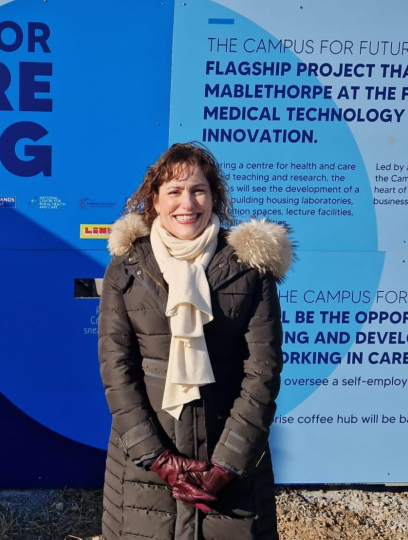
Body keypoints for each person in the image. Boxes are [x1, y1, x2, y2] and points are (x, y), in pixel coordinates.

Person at [98, 143, 293, 540]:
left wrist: (225, 466)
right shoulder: (128, 267)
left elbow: (262, 372)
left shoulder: (249, 269)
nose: (187, 202)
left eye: (198, 190)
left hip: (231, 466)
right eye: (174, 191)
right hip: (145, 470)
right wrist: (160, 459)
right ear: (154, 201)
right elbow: (117, 371)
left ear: (214, 196)